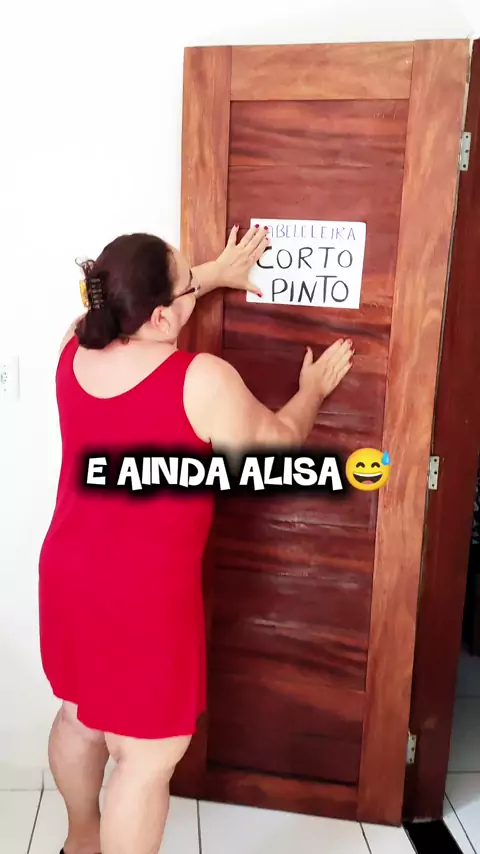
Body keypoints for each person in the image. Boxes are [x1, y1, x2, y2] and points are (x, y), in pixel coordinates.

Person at [38, 225, 354, 854]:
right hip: (142, 598)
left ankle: (80, 843)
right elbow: (278, 447)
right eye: (188, 282)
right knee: (145, 757)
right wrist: (311, 392)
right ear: (160, 316)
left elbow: (131, 308)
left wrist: (210, 275)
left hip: (69, 575)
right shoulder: (200, 379)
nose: (196, 284)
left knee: (79, 717)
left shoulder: (74, 347)